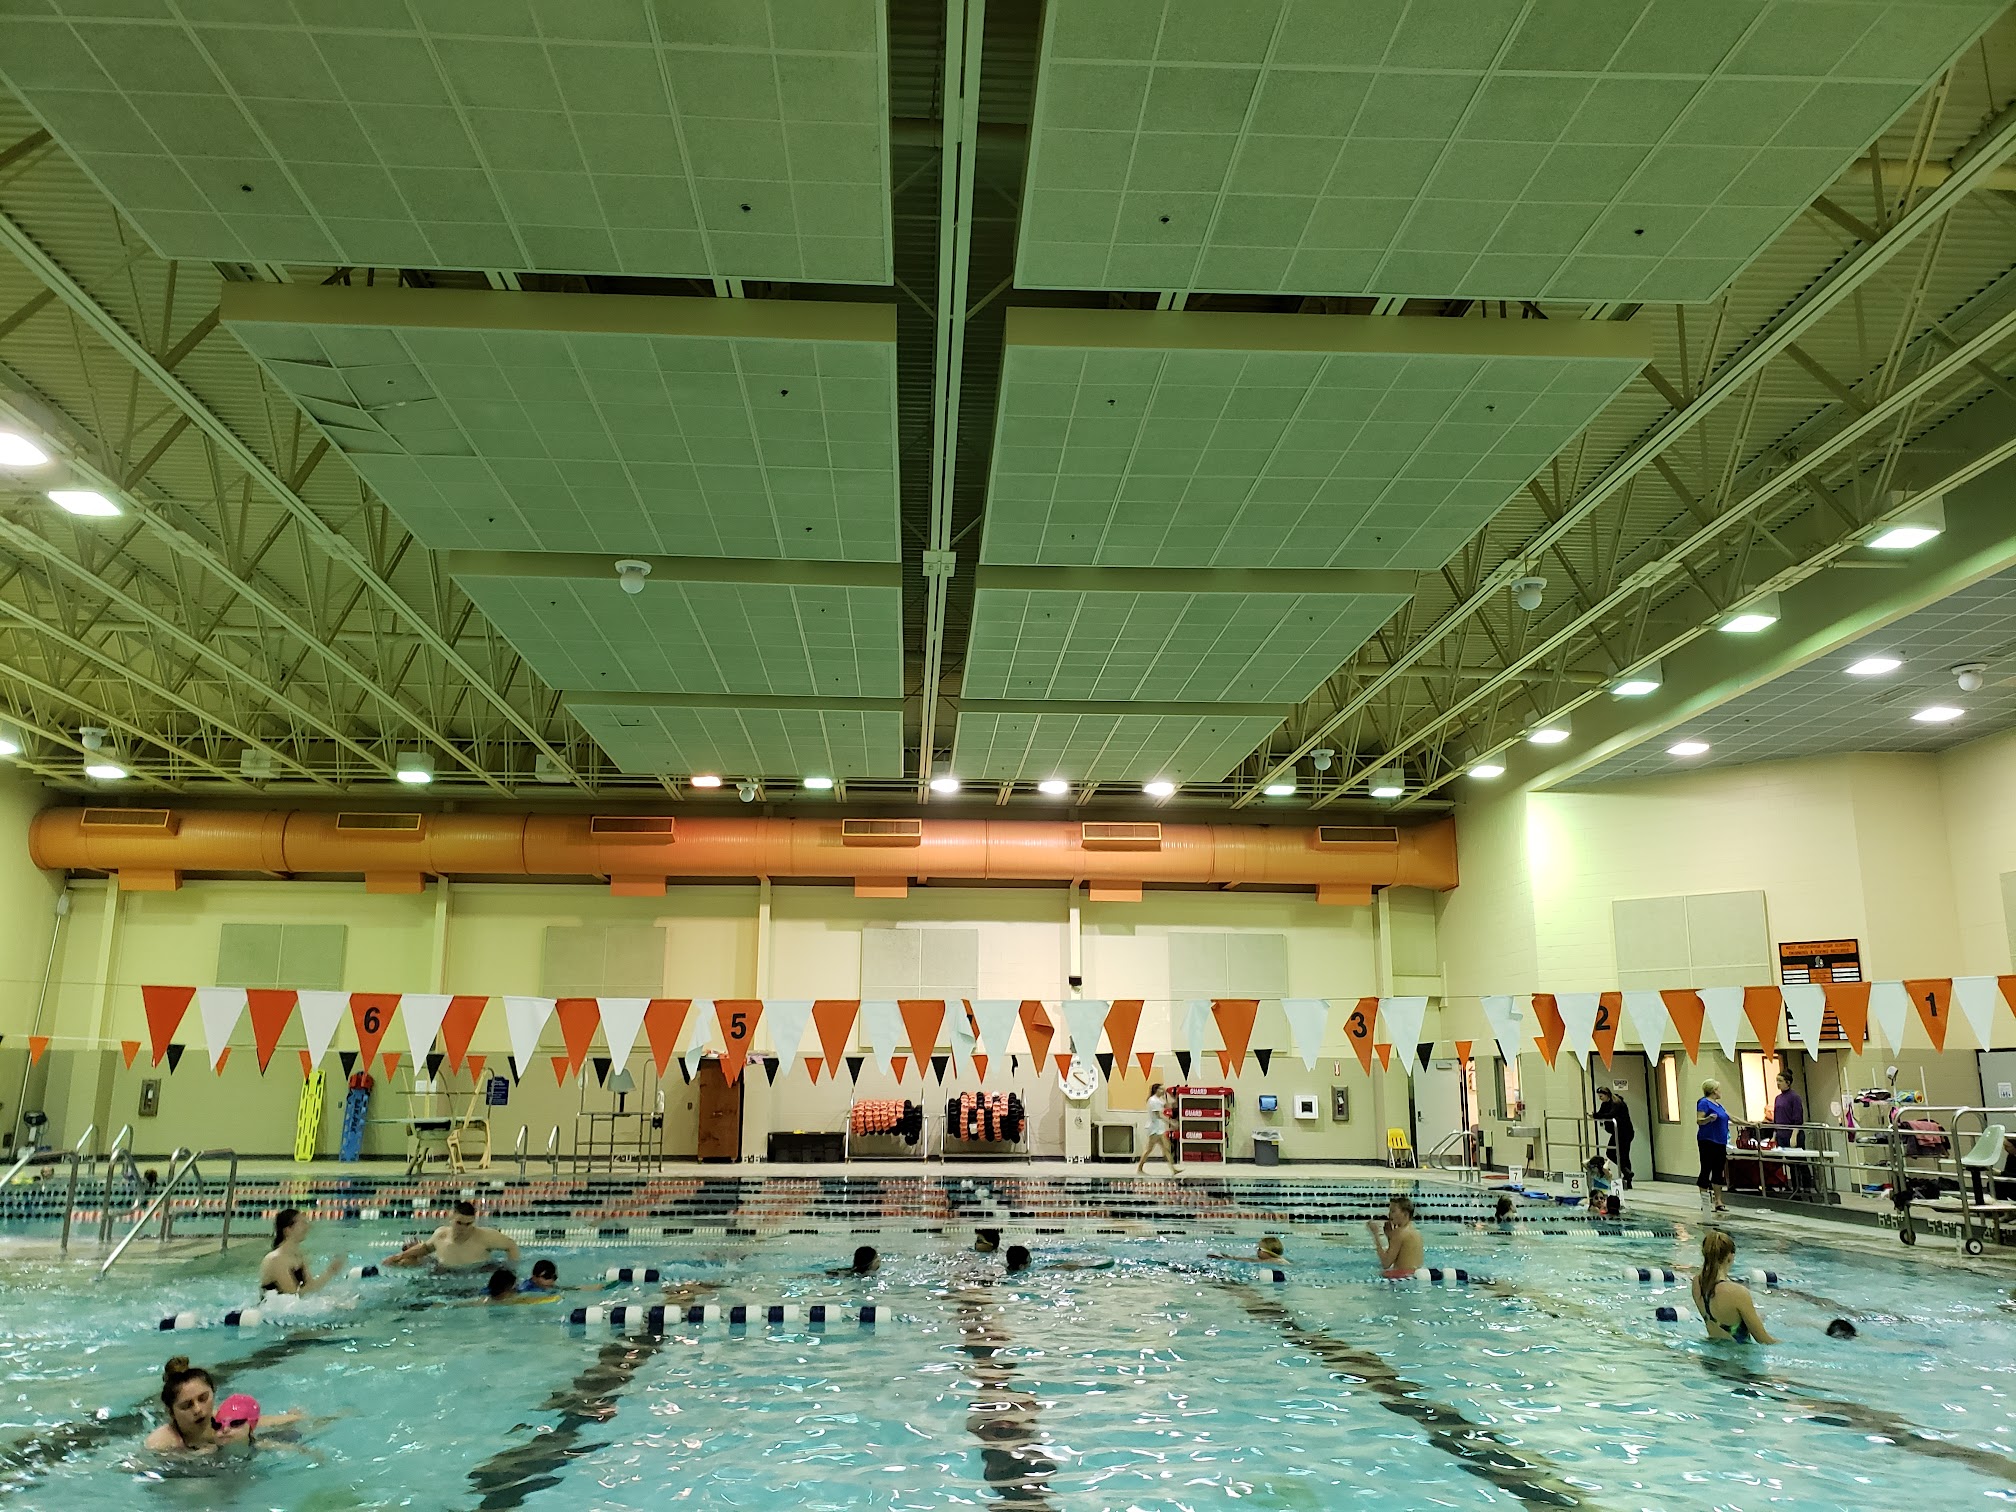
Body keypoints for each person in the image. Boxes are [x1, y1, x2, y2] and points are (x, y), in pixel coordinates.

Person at [145, 1356, 304, 1453]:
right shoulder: (162, 1442)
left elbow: (259, 1422)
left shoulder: (223, 1419)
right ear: (171, 1412)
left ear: (214, 1392)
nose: (198, 1409)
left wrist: (295, 1418)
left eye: (203, 1398)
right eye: (187, 1406)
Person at [384, 1200, 520, 1271]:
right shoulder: (441, 1234)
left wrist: (512, 1270)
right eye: (459, 1223)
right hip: (445, 1273)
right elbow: (425, 1248)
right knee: (405, 1263)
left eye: (468, 1224)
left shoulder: (485, 1236)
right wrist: (398, 1256)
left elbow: (511, 1245)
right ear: (451, 1218)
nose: (463, 1228)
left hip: (477, 1273)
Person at [1692, 1229, 1776, 1344]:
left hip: (1710, 1351)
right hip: (1738, 1354)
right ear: (1730, 1257)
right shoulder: (1737, 1292)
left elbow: (1722, 1320)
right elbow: (1763, 1340)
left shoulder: (1697, 1283)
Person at [258, 1208, 346, 1298]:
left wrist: (330, 1272)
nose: (307, 1227)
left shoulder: (298, 1256)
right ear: (288, 1230)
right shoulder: (276, 1259)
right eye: (302, 1223)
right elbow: (293, 1295)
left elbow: (312, 1288)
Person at [1367, 1196, 1424, 1278]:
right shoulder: (1415, 1232)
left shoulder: (1399, 1233)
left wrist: (1376, 1235)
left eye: (1393, 1211)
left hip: (1402, 1278)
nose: (1389, 1214)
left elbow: (1386, 1263)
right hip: (1416, 1275)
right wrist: (1390, 1237)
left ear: (1405, 1214)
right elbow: (1401, 1255)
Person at [1696, 1080, 1731, 1213]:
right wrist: (1708, 1119)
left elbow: (1729, 1117)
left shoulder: (1719, 1106)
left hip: (1720, 1142)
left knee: (1718, 1170)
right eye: (1718, 1089)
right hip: (1708, 1140)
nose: (1720, 1091)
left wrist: (1749, 1123)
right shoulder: (1704, 1102)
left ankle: (1718, 1201)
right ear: (1714, 1091)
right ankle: (1705, 1201)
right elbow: (1699, 1120)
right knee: (1706, 1169)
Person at [1594, 1087, 1635, 1189]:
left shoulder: (1617, 1103)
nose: (1600, 1098)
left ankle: (1627, 1178)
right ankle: (1627, 1172)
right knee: (1612, 1153)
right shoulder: (1605, 1104)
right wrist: (1595, 1115)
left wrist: (1597, 1116)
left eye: (1601, 1096)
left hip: (1625, 1132)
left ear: (1607, 1095)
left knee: (1623, 1155)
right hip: (1617, 1132)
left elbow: (1611, 1115)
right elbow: (1600, 1114)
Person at [1135, 1082, 1179, 1176]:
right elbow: (1158, 1115)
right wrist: (1170, 1122)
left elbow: (1168, 1106)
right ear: (1156, 1090)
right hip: (1154, 1129)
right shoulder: (1153, 1101)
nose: (1163, 1090)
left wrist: (1168, 1097)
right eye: (1161, 1089)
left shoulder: (1159, 1100)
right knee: (1149, 1149)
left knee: (1166, 1148)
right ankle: (1139, 1169)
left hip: (1159, 1128)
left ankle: (1173, 1169)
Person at [1210, 1234, 1288, 1265]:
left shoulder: (1276, 1261)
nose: (1257, 1251)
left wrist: (1229, 1258)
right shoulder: (1276, 1259)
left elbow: (1252, 1261)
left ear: (1267, 1252)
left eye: (1259, 1249)